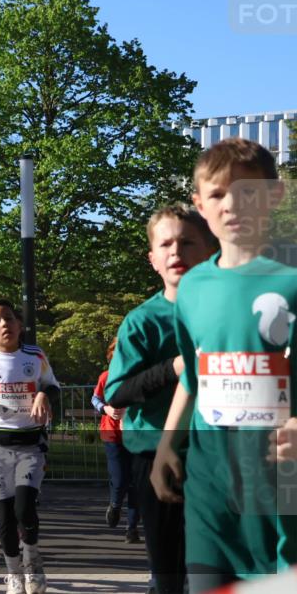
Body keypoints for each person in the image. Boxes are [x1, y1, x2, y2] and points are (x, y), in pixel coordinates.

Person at [151, 139, 297, 593]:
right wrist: (166, 446)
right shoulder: (193, 287)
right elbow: (194, 378)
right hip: (211, 489)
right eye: (217, 194)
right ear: (200, 203)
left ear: (276, 196)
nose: (232, 204)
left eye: (248, 192)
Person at [105, 203, 215, 594]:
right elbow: (117, 391)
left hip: (223, 454)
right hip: (157, 458)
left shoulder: (230, 311)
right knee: (168, 571)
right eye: (165, 243)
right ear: (152, 259)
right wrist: (174, 368)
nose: (176, 251)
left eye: (187, 242)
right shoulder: (142, 321)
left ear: (210, 249)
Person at [0, 299, 60, 594]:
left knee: (24, 507)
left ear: (20, 325)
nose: (4, 325)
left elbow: (52, 384)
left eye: (9, 319)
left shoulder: (35, 355)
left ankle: (32, 560)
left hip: (31, 444)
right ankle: (12, 573)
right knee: (6, 515)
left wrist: (42, 396)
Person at [92, 340, 140, 543]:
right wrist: (107, 409)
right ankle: (115, 505)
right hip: (112, 434)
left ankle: (132, 529)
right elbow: (95, 400)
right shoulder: (106, 376)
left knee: (137, 484)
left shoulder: (140, 376)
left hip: (136, 434)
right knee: (120, 479)